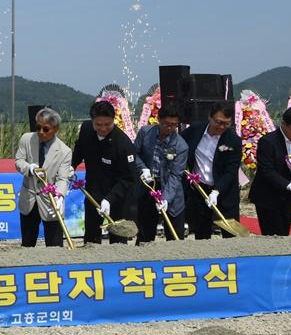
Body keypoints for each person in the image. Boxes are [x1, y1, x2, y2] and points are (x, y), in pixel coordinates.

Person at [71, 99, 137, 244]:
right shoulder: (86, 130)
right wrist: (71, 166)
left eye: (107, 124)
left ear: (114, 120)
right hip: (93, 192)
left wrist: (109, 199)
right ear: (92, 121)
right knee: (91, 237)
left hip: (116, 197)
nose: (103, 128)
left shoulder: (123, 144)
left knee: (118, 239)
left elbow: (128, 179)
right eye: (98, 125)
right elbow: (79, 150)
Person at [14, 107, 74, 248]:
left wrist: (60, 196)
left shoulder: (64, 151)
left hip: (50, 200)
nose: (41, 132)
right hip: (29, 198)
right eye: (38, 127)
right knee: (27, 243)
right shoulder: (26, 139)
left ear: (56, 129)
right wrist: (28, 168)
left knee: (54, 244)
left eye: (46, 129)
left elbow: (62, 178)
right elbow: (18, 161)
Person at [182, 101, 242, 239]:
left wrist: (217, 191)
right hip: (200, 190)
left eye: (226, 123)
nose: (221, 127)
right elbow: (178, 143)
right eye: (218, 122)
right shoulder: (195, 130)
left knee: (230, 233)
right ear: (210, 117)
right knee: (202, 233)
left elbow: (230, 171)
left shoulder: (233, 141)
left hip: (224, 190)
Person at [248, 105, 291, 236]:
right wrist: (289, 185)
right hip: (267, 195)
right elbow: (267, 171)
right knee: (272, 235)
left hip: (286, 196)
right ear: (283, 124)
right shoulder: (268, 141)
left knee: (284, 232)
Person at [132, 102, 189, 243]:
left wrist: (166, 198)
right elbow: (134, 154)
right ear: (158, 119)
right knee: (145, 233)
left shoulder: (181, 146)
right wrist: (142, 168)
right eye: (166, 124)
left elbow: (176, 175)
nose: (169, 128)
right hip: (148, 185)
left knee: (175, 235)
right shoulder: (146, 133)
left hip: (170, 189)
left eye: (174, 125)